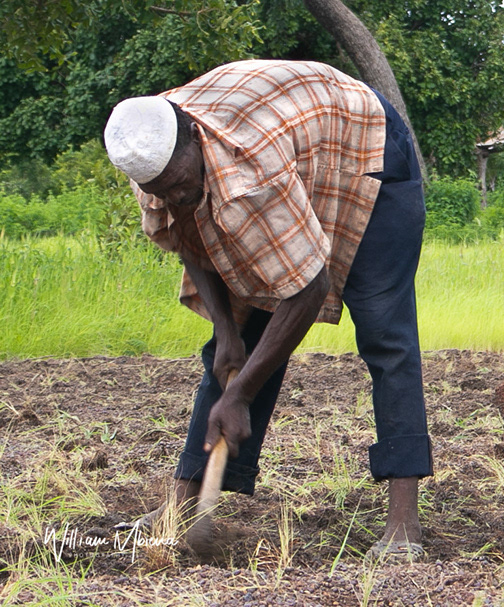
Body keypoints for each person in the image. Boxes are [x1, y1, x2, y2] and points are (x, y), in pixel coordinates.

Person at [104, 59, 431, 560]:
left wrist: (242, 393)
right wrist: (227, 328)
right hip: (294, 144)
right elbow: (189, 232)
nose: (172, 196)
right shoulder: (144, 151)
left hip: (364, 143)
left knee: (386, 335)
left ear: (195, 137)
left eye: (179, 182)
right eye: (160, 191)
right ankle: (184, 504)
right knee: (230, 346)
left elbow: (306, 288)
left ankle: (403, 524)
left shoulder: (249, 174)